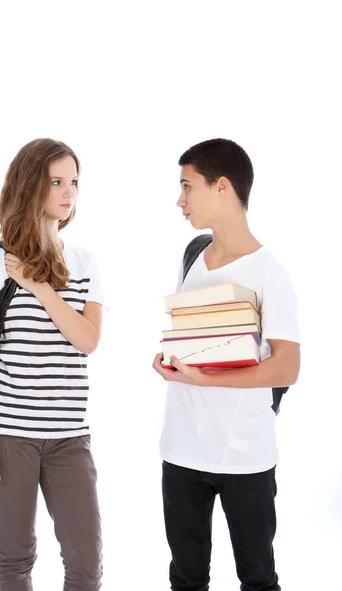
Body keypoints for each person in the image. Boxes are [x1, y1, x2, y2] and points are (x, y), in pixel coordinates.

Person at [153, 138, 300, 591]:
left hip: (244, 456)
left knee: (258, 580)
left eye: (186, 186)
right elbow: (194, 344)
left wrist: (207, 380)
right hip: (180, 450)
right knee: (186, 578)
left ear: (221, 187)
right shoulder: (193, 256)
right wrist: (172, 364)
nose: (179, 200)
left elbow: (287, 368)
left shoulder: (269, 273)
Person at [0, 138, 106, 591]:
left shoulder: (84, 263)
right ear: (29, 186)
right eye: (56, 182)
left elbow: (87, 340)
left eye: (74, 182)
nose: (68, 193)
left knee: (86, 563)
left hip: (69, 437)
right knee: (16, 555)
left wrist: (40, 286)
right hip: (8, 437)